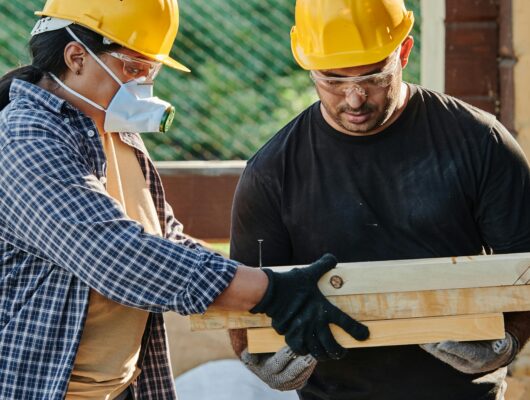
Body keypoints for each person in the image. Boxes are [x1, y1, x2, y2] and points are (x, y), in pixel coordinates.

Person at [0, 1, 369, 399]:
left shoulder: (114, 130)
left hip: (122, 388)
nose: (144, 86)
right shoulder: (26, 139)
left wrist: (256, 300)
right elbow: (114, 255)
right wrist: (269, 292)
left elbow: (166, 239)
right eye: (135, 68)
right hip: (40, 386)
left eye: (151, 71)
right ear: (77, 57)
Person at [229, 0, 530, 399]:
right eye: (333, 80)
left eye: (373, 77)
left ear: (403, 51)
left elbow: (526, 265)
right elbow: (239, 299)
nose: (353, 99)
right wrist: (258, 356)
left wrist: (508, 339)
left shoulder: (481, 143)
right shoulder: (272, 171)